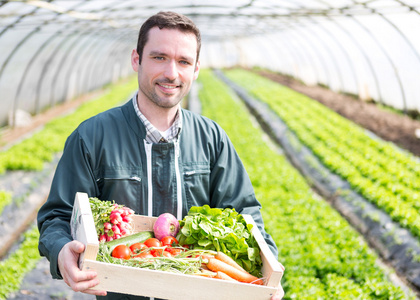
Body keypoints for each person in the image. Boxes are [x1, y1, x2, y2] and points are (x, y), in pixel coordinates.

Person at [37, 11, 284, 300]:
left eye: (183, 61)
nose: (171, 73)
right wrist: (61, 250)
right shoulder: (92, 137)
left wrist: (269, 269)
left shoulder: (212, 138)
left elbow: (245, 214)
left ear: (196, 69)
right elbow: (58, 215)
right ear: (136, 59)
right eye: (159, 57)